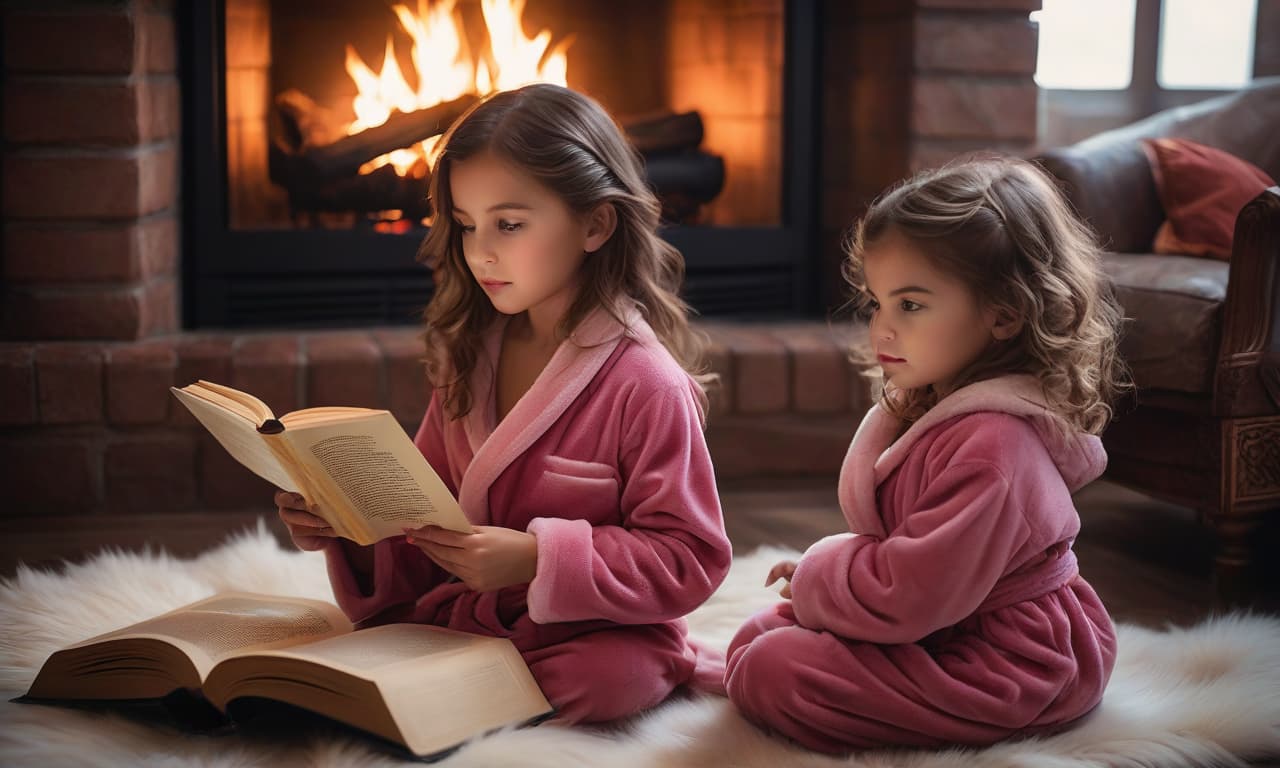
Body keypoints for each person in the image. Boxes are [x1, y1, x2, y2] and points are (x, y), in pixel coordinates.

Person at [276, 83, 732, 724]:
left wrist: (541, 560)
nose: (481, 251)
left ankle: (460, 691)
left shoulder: (645, 383)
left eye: (509, 224)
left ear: (595, 223)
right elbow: (426, 512)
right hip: (471, 615)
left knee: (608, 677)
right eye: (466, 226)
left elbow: (690, 557)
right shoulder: (472, 353)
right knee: (382, 652)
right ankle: (457, 685)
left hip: (590, 629)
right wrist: (345, 523)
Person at [723, 156, 1131, 753]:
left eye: (910, 305)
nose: (882, 329)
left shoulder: (993, 449)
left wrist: (819, 572)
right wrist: (825, 586)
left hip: (1014, 661)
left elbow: (908, 596)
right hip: (941, 621)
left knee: (772, 669)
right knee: (755, 638)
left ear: (1004, 314)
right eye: (876, 303)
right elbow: (915, 572)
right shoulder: (939, 406)